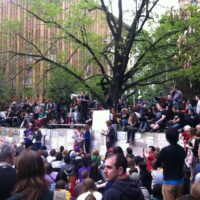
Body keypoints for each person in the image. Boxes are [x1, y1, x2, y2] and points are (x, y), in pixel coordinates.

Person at [155, 128, 186, 200]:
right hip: (180, 181)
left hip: (168, 182)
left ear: (167, 138)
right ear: (178, 137)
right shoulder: (182, 149)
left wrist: (164, 165)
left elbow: (157, 164)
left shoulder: (164, 150)